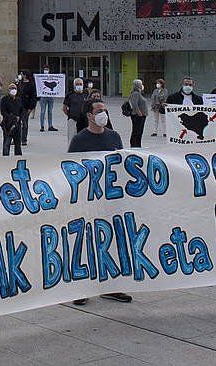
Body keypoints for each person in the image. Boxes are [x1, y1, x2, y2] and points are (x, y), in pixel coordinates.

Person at [66, 99, 133, 305]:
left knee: (112, 241)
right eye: (99, 111)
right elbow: (70, 169)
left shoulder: (114, 137)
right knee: (85, 244)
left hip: (110, 198)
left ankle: (111, 287)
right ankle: (80, 288)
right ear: (89, 116)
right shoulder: (79, 140)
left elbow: (121, 165)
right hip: (88, 199)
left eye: (105, 110)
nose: (104, 113)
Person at [0, 83, 25, 156]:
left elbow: (22, 110)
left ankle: (18, 158)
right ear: (8, 90)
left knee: (18, 145)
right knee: (6, 144)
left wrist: (20, 118)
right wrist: (13, 117)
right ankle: (5, 159)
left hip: (17, 125)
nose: (13, 90)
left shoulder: (19, 99)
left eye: (15, 88)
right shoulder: (4, 99)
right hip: (8, 125)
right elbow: (3, 112)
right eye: (11, 88)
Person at [62, 77, 88, 144]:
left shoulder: (86, 94)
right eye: (77, 84)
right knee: (72, 138)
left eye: (80, 84)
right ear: (74, 85)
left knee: (84, 138)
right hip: (73, 120)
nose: (79, 85)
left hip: (84, 121)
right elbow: (64, 108)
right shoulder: (70, 95)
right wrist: (70, 115)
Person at [126, 79, 149, 148]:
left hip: (141, 115)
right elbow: (134, 104)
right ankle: (134, 145)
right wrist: (139, 113)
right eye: (140, 84)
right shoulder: (135, 93)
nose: (142, 85)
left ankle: (138, 144)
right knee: (136, 131)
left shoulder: (139, 93)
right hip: (137, 116)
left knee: (139, 131)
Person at [37, 66, 58, 132]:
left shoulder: (51, 77)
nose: (46, 70)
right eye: (45, 69)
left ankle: (50, 126)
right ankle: (42, 126)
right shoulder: (41, 77)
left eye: (47, 69)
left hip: (50, 96)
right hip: (43, 96)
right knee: (43, 111)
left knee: (50, 111)